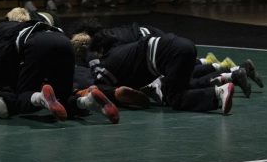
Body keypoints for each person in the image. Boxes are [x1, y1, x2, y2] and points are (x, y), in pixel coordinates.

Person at [0, 19, 119, 123]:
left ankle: (40, 98)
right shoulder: (43, 27)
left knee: (24, 95)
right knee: (63, 97)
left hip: (37, 44)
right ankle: (87, 101)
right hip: (64, 43)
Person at [88, 33, 235, 115]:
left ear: (100, 51)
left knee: (175, 99)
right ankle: (226, 77)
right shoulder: (123, 47)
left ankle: (218, 93)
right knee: (180, 86)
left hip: (169, 54)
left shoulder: (107, 61)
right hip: (182, 44)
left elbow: (100, 83)